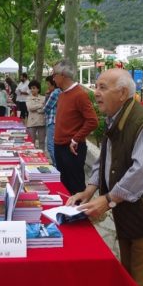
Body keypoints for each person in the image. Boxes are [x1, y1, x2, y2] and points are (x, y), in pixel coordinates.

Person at [67, 68, 143, 286]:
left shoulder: (142, 122)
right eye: (96, 86)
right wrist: (90, 190)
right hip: (128, 215)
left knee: (141, 280)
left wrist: (109, 199)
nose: (96, 93)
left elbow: (142, 171)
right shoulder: (115, 117)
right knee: (127, 273)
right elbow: (104, 159)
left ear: (122, 93)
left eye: (103, 87)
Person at [53, 60, 98, 194]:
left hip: (72, 148)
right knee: (64, 183)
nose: (52, 78)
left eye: (54, 74)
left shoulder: (80, 94)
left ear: (63, 75)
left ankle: (80, 213)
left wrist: (76, 139)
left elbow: (92, 121)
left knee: (75, 185)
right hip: (59, 145)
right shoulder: (62, 94)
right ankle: (67, 212)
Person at [44, 75, 61, 166]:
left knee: (50, 146)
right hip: (58, 121)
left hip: (52, 121)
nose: (48, 87)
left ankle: (57, 164)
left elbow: (46, 108)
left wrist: (47, 95)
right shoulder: (62, 91)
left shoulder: (55, 93)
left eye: (48, 84)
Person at [26, 80, 46, 151]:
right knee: (32, 142)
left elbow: (45, 109)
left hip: (42, 122)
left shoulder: (44, 98)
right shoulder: (28, 98)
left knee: (42, 142)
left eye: (34, 88)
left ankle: (42, 157)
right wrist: (40, 105)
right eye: (31, 88)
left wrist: (37, 108)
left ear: (38, 89)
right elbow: (30, 108)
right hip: (31, 123)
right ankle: (32, 156)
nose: (32, 90)